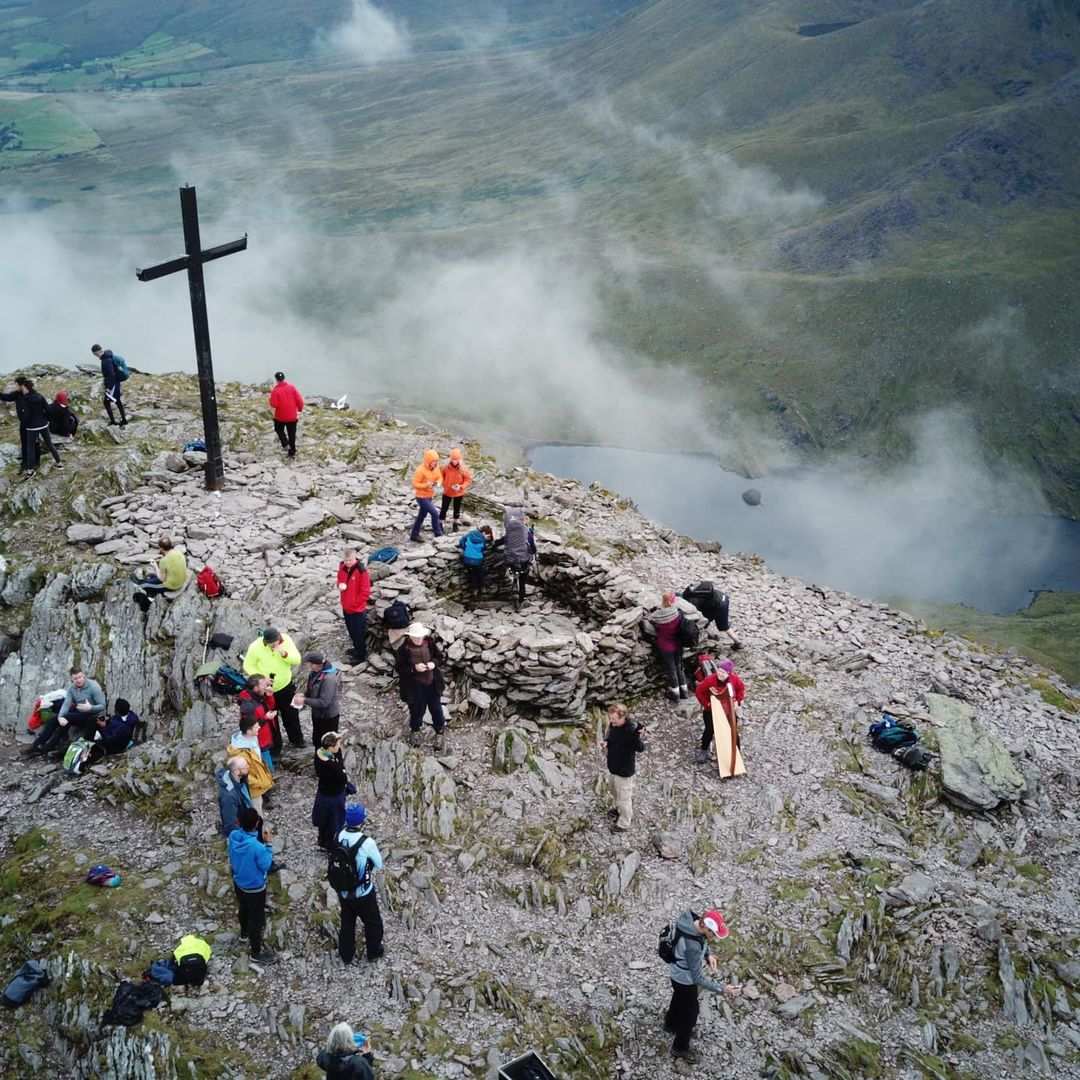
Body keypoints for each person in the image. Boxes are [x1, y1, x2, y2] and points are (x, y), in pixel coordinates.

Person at [665, 909, 736, 1063]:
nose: (715, 937)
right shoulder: (692, 947)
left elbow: (701, 939)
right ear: (706, 928)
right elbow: (697, 979)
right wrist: (722, 989)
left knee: (678, 997)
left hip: (676, 974)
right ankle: (680, 1048)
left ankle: (670, 1024)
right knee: (691, 1012)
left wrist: (708, 955)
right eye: (714, 934)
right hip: (684, 980)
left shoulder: (692, 920)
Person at [332, 803, 384, 965]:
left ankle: (346, 954)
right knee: (372, 922)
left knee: (347, 922)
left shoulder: (337, 835)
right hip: (363, 892)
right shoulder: (367, 843)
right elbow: (379, 864)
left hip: (343, 891)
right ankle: (374, 951)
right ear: (362, 820)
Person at [227, 807, 278, 964]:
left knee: (243, 907)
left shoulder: (233, 836)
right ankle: (256, 952)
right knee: (257, 918)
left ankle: (244, 934)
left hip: (239, 881)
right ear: (257, 823)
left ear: (239, 822)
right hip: (255, 887)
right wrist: (268, 845)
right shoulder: (257, 847)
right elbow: (265, 866)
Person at [242, 627, 304, 747]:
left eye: (274, 642)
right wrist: (261, 678)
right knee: (271, 719)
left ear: (279, 637)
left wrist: (284, 654)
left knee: (291, 715)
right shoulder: (255, 647)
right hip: (266, 691)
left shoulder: (286, 640)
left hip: (286, 686)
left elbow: (297, 660)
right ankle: (275, 747)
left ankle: (297, 740)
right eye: (269, 643)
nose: (272, 645)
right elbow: (248, 665)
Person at [394, 622, 447, 750]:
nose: (418, 639)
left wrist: (434, 664)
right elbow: (400, 669)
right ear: (410, 636)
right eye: (415, 637)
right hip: (415, 686)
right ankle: (415, 730)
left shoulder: (429, 643)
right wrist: (414, 669)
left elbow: (439, 657)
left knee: (436, 708)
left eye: (420, 636)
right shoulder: (403, 649)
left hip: (432, 683)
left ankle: (440, 731)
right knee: (417, 709)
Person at [30, 666, 106, 753]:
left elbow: (102, 706)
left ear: (83, 676)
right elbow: (66, 704)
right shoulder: (72, 688)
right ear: (72, 678)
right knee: (56, 719)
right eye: (75, 678)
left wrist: (90, 707)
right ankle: (36, 745)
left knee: (66, 717)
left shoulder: (93, 686)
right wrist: (60, 717)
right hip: (79, 713)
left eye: (80, 677)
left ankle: (49, 747)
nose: (78, 680)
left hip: (92, 716)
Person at [601, 703, 646, 832]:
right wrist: (606, 742)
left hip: (624, 771)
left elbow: (640, 748)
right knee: (614, 791)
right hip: (614, 767)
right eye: (610, 719)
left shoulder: (631, 730)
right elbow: (612, 737)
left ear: (623, 717)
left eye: (614, 720)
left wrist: (638, 737)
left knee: (624, 798)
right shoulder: (614, 726)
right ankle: (619, 810)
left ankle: (624, 823)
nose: (611, 722)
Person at [693, 659, 746, 765]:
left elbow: (741, 688)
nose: (720, 674)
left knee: (732, 730)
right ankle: (704, 750)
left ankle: (735, 753)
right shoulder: (710, 680)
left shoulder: (734, 679)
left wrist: (738, 701)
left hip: (729, 710)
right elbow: (699, 691)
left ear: (729, 674)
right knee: (710, 729)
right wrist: (708, 704)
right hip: (710, 710)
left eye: (723, 672)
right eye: (719, 670)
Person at [313, 731, 356, 851]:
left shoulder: (320, 753)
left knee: (324, 820)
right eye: (337, 745)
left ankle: (323, 840)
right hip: (334, 796)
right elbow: (342, 778)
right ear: (331, 748)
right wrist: (342, 772)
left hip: (323, 792)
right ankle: (333, 845)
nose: (340, 747)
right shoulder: (332, 766)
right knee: (335, 820)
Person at [226, 714, 274, 815]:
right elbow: (243, 775)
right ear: (248, 731)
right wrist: (259, 783)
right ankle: (258, 830)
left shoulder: (250, 738)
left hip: (257, 787)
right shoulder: (240, 753)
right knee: (256, 814)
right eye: (256, 727)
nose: (259, 728)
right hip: (252, 791)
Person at [294, 651, 340, 749]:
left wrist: (304, 700)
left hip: (328, 717)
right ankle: (319, 759)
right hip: (318, 714)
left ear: (314, 664)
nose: (305, 665)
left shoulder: (329, 679)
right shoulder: (314, 673)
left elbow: (324, 702)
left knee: (329, 745)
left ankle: (330, 762)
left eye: (307, 663)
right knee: (317, 740)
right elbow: (312, 689)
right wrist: (305, 694)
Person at [649, 591, 687, 701]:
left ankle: (675, 694)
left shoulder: (658, 616)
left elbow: (652, 623)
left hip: (665, 646)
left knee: (671, 669)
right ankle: (684, 691)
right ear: (673, 600)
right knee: (679, 667)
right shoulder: (678, 613)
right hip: (677, 644)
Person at [492, 506, 535, 605]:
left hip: (510, 560)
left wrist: (493, 545)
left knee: (513, 569)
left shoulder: (509, 533)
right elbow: (533, 548)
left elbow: (500, 542)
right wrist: (532, 552)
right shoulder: (527, 532)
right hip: (524, 560)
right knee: (523, 581)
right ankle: (520, 600)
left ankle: (514, 581)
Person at [132, 535, 188, 610]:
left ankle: (141, 586)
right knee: (152, 577)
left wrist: (155, 566)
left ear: (161, 548)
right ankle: (149, 587)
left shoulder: (164, 561)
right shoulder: (179, 553)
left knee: (145, 585)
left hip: (171, 586)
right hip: (180, 581)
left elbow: (161, 579)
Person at [18, 379, 62, 474]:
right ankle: (59, 463)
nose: (23, 390)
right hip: (43, 424)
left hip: (32, 427)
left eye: (24, 388)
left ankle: (30, 470)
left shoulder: (25, 400)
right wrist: (46, 419)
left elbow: (25, 416)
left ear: (26, 388)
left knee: (30, 448)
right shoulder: (40, 396)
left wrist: (25, 423)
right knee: (50, 444)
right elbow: (48, 409)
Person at [683, 581, 741, 651]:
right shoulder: (693, 592)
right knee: (724, 626)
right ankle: (737, 641)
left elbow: (698, 616)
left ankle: (713, 636)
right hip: (722, 597)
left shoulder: (693, 601)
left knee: (704, 622)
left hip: (718, 605)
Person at [337, 548, 372, 663]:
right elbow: (339, 579)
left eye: (350, 560)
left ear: (355, 558)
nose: (347, 562)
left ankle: (360, 656)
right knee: (351, 630)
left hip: (357, 609)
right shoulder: (342, 567)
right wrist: (340, 584)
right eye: (346, 560)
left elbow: (365, 592)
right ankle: (357, 649)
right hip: (346, 606)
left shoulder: (362, 571)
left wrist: (355, 604)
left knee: (358, 633)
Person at [238, 675, 279, 769]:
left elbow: (270, 707)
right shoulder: (248, 704)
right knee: (265, 762)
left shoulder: (258, 696)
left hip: (265, 736)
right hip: (259, 740)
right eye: (264, 685)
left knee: (266, 756)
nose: (267, 686)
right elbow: (248, 726)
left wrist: (269, 696)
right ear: (256, 688)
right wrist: (266, 718)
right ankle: (267, 777)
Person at [409, 449, 443, 542]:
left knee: (421, 516)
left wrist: (438, 483)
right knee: (434, 513)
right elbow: (415, 484)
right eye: (433, 461)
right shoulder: (420, 470)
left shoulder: (436, 467)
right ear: (428, 461)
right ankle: (438, 535)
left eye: (436, 461)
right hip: (421, 497)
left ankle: (414, 535)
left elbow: (440, 477)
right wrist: (426, 485)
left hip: (429, 496)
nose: (435, 463)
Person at [0, 376, 32, 473]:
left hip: (32, 424)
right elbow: (7, 397)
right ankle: (24, 463)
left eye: (17, 385)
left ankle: (33, 462)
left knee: (32, 444)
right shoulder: (17, 394)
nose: (16, 387)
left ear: (22, 385)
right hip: (23, 423)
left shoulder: (31, 394)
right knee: (24, 443)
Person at [268, 371, 304, 457]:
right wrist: (300, 408)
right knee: (292, 434)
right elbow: (299, 399)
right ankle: (292, 451)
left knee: (279, 429)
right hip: (292, 416)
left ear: (276, 379)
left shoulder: (275, 391)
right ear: (283, 378)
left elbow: (274, 405)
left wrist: (270, 400)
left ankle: (285, 444)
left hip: (280, 417)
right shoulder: (292, 387)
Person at [217, 756, 255, 836]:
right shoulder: (228, 796)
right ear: (237, 772)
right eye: (245, 766)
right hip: (240, 831)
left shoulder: (241, 779)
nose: (248, 766)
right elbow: (231, 823)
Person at [92, 344, 127, 427]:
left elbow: (112, 374)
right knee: (117, 401)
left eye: (95, 354)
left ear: (97, 353)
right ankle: (124, 420)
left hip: (112, 384)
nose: (96, 356)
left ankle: (113, 421)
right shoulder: (108, 356)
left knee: (106, 402)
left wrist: (109, 388)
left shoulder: (106, 360)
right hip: (116, 383)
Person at [439, 447, 472, 532]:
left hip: (459, 492)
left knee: (457, 507)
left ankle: (455, 522)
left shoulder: (463, 468)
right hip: (447, 491)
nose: (454, 461)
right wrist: (444, 484)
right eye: (453, 459)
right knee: (444, 507)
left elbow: (468, 479)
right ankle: (440, 522)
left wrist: (461, 486)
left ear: (459, 459)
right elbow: (440, 476)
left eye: (456, 459)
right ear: (450, 458)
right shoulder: (445, 467)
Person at [457, 524, 493, 599]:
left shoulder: (471, 533)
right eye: (488, 536)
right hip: (477, 560)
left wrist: (465, 549)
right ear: (484, 533)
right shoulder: (483, 540)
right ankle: (481, 589)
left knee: (472, 573)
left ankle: (474, 590)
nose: (488, 538)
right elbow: (483, 548)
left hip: (467, 559)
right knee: (480, 573)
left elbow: (461, 541)